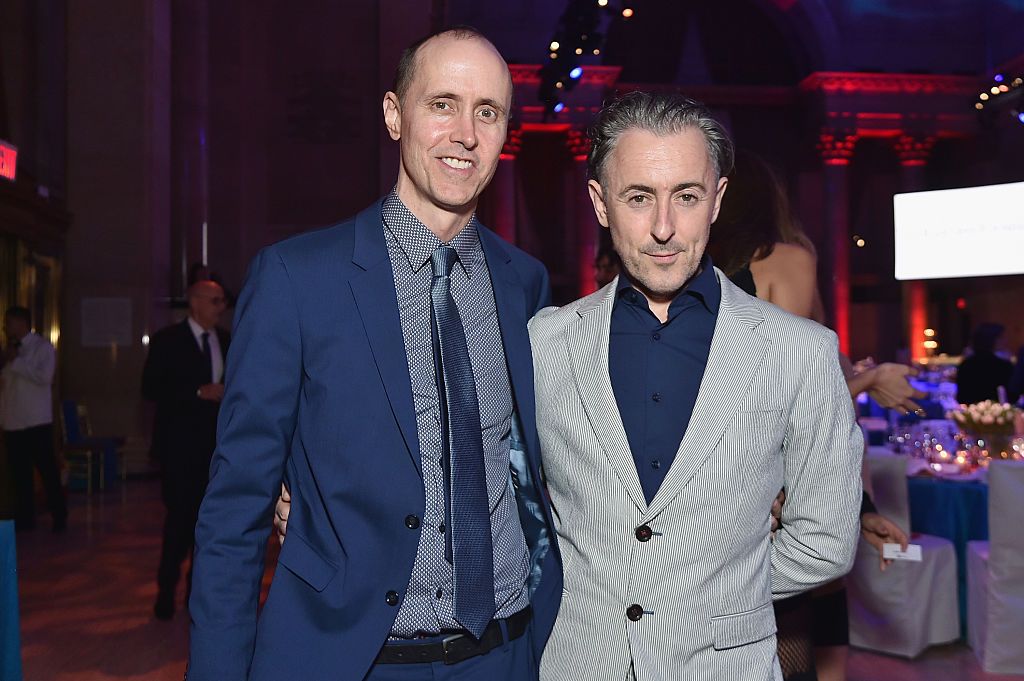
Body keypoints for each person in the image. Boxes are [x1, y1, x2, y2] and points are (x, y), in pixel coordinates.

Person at [187, 27, 561, 681]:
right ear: (395, 115)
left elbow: (533, 469)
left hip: (507, 655)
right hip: (357, 661)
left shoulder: (523, 282)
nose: (465, 133)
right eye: (442, 103)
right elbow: (234, 508)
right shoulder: (298, 279)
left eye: (487, 111)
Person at [527, 91, 862, 680]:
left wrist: (713, 595)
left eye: (687, 196)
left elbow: (827, 542)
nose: (663, 228)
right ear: (600, 204)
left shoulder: (800, 351)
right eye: (638, 198)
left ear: (719, 200)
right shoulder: (543, 342)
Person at [142, 280, 229, 620]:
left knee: (209, 526)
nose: (221, 307)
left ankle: (197, 596)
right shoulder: (167, 340)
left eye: (223, 301)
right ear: (195, 303)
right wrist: (197, 392)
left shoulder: (225, 340)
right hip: (178, 449)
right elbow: (150, 388)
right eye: (215, 301)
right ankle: (166, 591)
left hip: (215, 452)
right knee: (179, 523)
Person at [0, 306, 66, 533]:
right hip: (13, 422)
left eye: (8, 323)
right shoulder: (7, 352)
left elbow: (44, 377)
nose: (5, 328)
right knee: (20, 475)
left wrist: (16, 362)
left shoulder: (42, 348)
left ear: (20, 322)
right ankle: (25, 519)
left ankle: (59, 515)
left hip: (36, 422)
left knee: (47, 470)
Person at [956, 322, 1013, 405]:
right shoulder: (1003, 366)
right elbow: (1011, 396)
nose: (1006, 341)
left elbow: (961, 398)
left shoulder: (966, 364)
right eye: (1001, 337)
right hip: (998, 414)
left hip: (969, 414)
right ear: (992, 340)